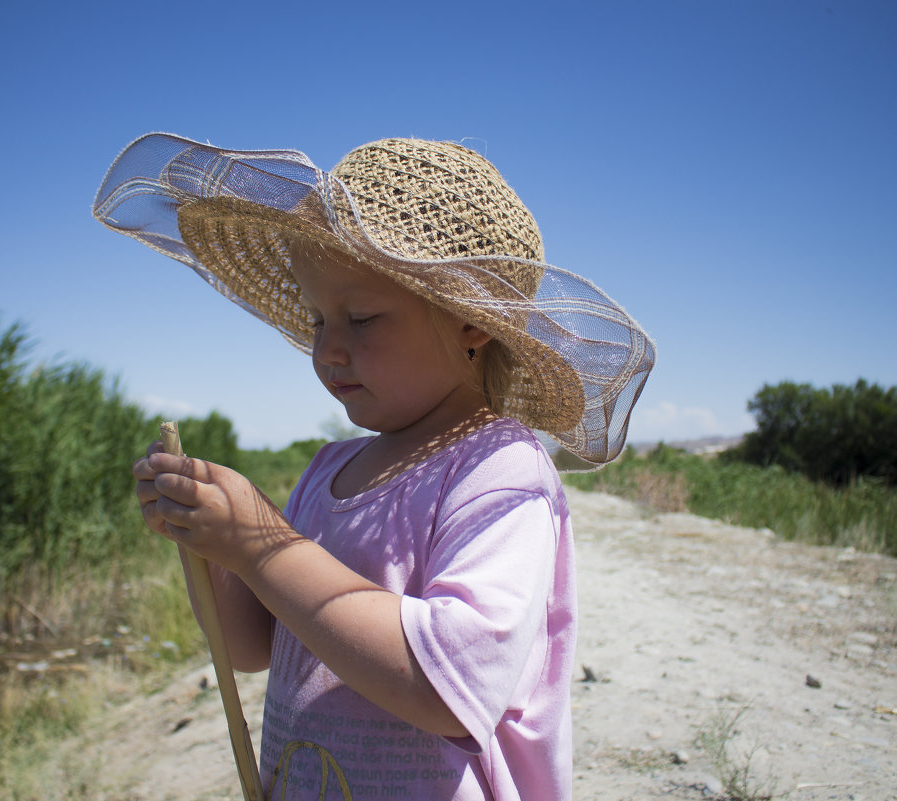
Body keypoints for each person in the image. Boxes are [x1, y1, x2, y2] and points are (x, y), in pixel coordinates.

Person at [95, 134, 655, 800]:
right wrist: (214, 546)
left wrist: (263, 543)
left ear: (470, 320)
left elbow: (447, 688)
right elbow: (252, 644)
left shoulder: (498, 470)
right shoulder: (329, 469)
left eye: (360, 318)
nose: (326, 348)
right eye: (315, 317)